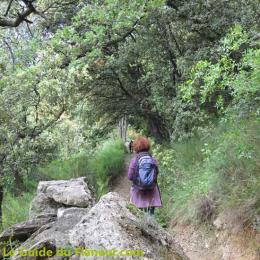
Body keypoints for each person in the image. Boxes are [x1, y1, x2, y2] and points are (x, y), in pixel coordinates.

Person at [127, 136, 162, 215]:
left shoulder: (134, 160)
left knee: (139, 215)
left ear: (135, 147)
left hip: (138, 192)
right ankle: (152, 227)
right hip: (152, 190)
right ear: (147, 146)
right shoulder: (152, 159)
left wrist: (139, 180)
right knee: (151, 215)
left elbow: (130, 176)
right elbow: (156, 173)